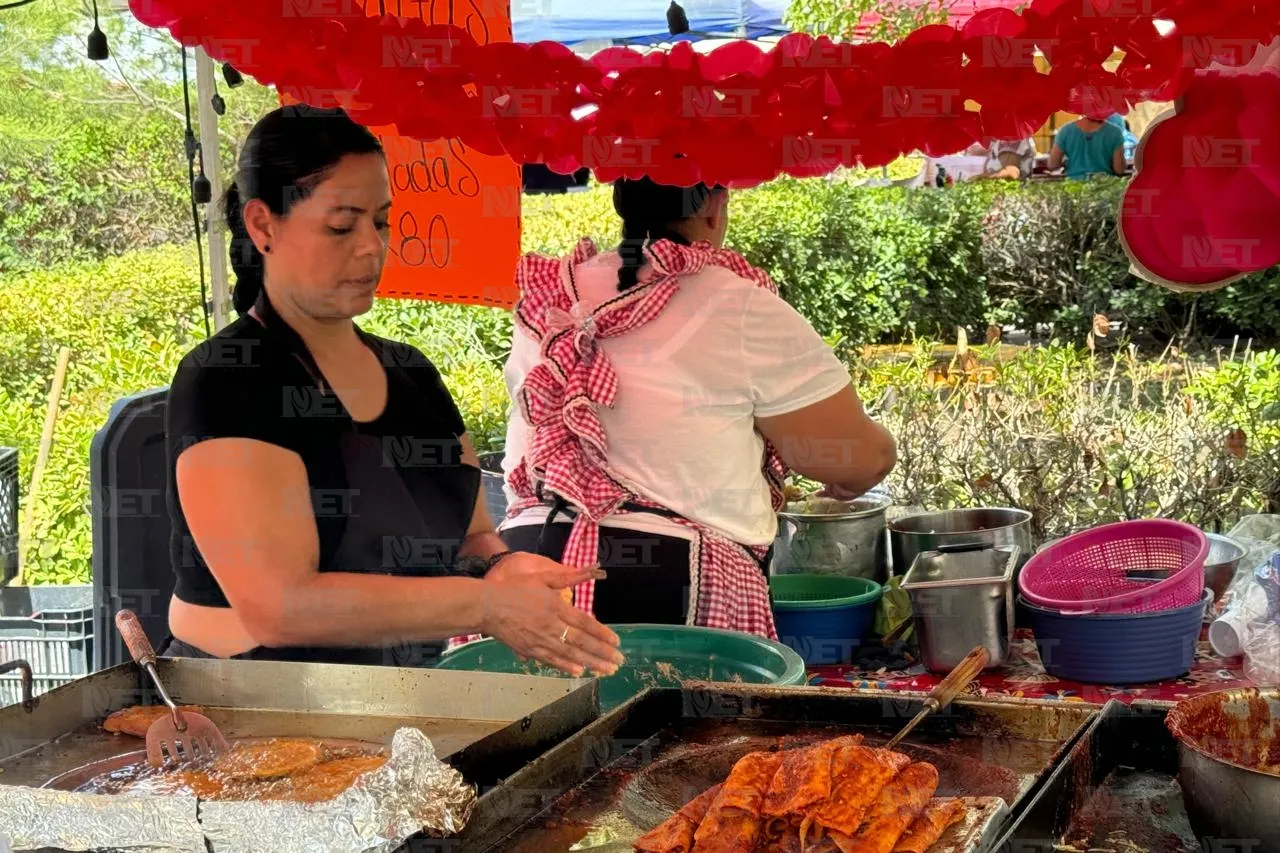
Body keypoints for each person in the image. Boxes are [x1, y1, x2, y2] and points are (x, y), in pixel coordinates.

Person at [162, 107, 622, 677]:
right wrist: (485, 605)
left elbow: (472, 535)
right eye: (341, 225)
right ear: (263, 226)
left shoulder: (411, 372)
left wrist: (504, 573)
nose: (370, 247)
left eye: (379, 222)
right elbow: (281, 607)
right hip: (249, 710)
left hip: (402, 700)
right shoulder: (227, 377)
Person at [497, 177, 897, 638]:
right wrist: (858, 468)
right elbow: (856, 458)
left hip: (525, 567)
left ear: (621, 200)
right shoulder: (736, 302)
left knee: (542, 710)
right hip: (672, 579)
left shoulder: (553, 296)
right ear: (713, 206)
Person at [1048, 113, 1126, 179]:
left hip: (1074, 187)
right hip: (1104, 185)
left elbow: (1053, 164)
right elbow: (1119, 170)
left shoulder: (1066, 130)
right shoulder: (1115, 132)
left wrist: (1067, 162)